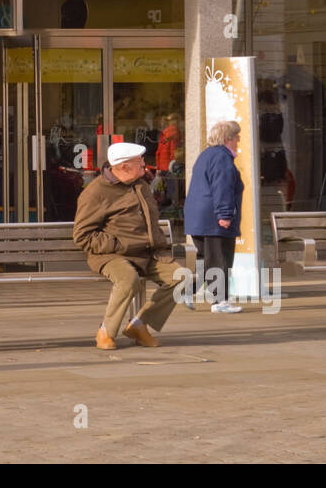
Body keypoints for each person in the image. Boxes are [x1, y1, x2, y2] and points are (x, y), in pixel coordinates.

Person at [73, 141, 178, 350]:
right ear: (123, 167)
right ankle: (106, 331)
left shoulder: (141, 186)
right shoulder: (96, 192)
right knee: (128, 279)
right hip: (111, 255)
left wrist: (158, 243)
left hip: (146, 253)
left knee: (181, 277)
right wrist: (118, 245)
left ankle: (138, 325)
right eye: (139, 162)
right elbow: (82, 236)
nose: (144, 166)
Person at [183, 120, 245, 313]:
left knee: (206, 259)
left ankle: (185, 291)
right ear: (227, 138)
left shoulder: (207, 155)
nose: (238, 140)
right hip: (213, 219)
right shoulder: (222, 158)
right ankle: (220, 301)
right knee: (220, 259)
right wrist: (225, 214)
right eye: (236, 137)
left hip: (200, 218)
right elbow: (222, 187)